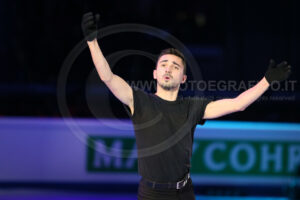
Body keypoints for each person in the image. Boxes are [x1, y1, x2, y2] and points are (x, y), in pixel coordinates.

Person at [81, 12, 292, 200]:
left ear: (183, 78)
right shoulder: (139, 100)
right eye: (163, 64)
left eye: (175, 66)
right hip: (151, 194)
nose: (168, 69)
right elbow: (107, 77)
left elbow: (238, 104)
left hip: (184, 192)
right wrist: (92, 41)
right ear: (154, 74)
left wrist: (266, 81)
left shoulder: (193, 107)